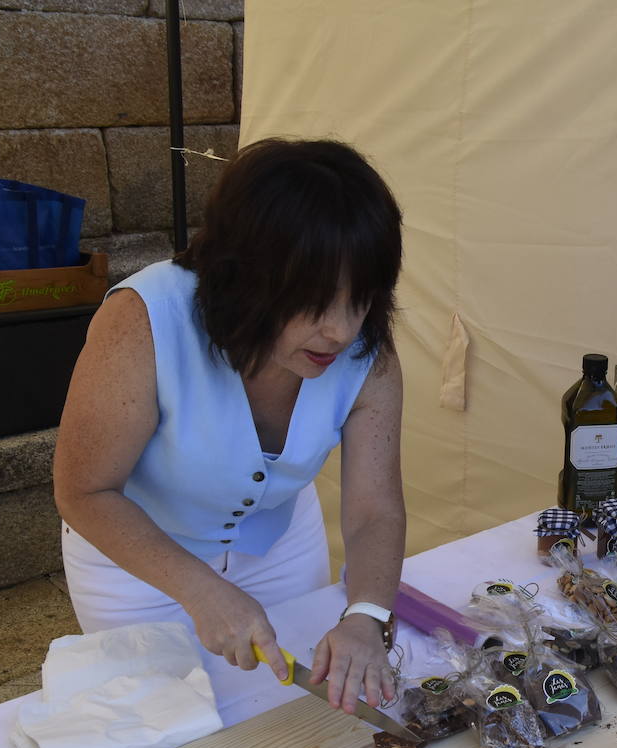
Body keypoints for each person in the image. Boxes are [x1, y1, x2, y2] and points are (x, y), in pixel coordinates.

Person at [53, 138, 405, 713]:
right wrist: (199, 588)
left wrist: (366, 614)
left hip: (281, 547)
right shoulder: (145, 319)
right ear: (246, 277)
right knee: (164, 728)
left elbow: (375, 510)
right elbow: (84, 490)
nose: (340, 333)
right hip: (137, 561)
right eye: (315, 302)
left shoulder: (369, 352)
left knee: (286, 720)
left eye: (360, 300)